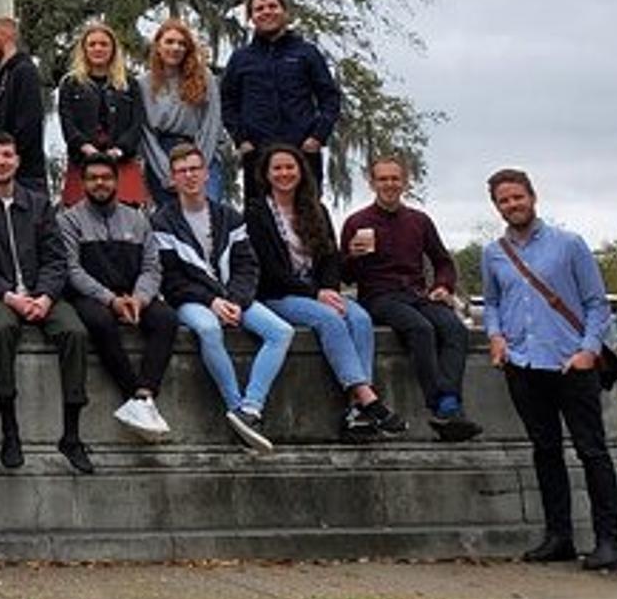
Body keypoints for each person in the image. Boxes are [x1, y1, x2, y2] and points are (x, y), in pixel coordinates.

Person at [481, 167, 617, 571]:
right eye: (504, 200)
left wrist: (588, 350)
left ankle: (609, 540)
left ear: (532, 197)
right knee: (545, 451)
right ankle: (558, 535)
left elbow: (597, 303)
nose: (512, 205)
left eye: (517, 197)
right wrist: (496, 336)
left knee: (591, 450)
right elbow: (491, 302)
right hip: (523, 363)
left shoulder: (569, 244)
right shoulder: (493, 253)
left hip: (570, 363)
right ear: (497, 206)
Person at [244, 145, 404, 441]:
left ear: (301, 171)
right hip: (278, 294)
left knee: (360, 318)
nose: (284, 174)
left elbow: (330, 257)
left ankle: (357, 413)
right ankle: (367, 398)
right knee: (329, 319)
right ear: (266, 175)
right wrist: (315, 293)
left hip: (318, 291)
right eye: (277, 168)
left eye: (290, 167)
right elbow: (267, 269)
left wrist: (328, 287)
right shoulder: (256, 213)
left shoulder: (316, 209)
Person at [149, 143, 295, 452]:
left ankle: (249, 409)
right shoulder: (161, 221)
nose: (189, 176)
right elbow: (172, 279)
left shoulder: (230, 216)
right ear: (172, 179)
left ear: (206, 173)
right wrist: (212, 301)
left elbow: (247, 265)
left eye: (194, 169)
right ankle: (234, 405)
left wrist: (236, 300)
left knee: (281, 331)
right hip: (192, 301)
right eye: (181, 171)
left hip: (233, 297)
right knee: (208, 329)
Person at [0, 130, 94, 473]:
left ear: (17, 160)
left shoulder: (38, 203)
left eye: (7, 155)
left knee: (74, 332)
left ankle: (72, 434)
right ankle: (10, 429)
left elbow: (57, 259)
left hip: (43, 294)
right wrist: (11, 297)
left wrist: (45, 297)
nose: (1, 161)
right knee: (0, 328)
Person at [339, 157, 484, 442]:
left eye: (395, 179)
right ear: (372, 183)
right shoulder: (357, 222)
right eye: (383, 179)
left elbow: (443, 262)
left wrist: (443, 286)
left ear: (405, 182)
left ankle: (449, 406)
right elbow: (344, 276)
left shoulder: (419, 221)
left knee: (454, 328)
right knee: (421, 329)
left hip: (417, 294)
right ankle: (441, 404)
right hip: (378, 296)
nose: (390, 184)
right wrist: (353, 257)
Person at [58, 152, 176, 441]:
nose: (100, 183)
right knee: (99, 322)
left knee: (166, 319)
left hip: (133, 294)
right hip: (92, 297)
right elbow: (72, 270)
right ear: (83, 183)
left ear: (117, 181)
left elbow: (151, 266)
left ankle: (144, 394)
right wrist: (110, 299)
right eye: (93, 178)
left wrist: (140, 298)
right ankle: (133, 394)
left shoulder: (138, 219)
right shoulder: (68, 220)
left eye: (106, 177)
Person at [220, 0, 342, 197]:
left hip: (303, 151)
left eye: (272, 6)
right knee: (259, 219)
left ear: (285, 12)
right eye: (259, 9)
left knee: (308, 217)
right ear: (251, 17)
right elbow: (227, 102)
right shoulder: (241, 58)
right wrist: (241, 140)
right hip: (257, 154)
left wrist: (317, 136)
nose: (266, 12)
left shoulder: (307, 53)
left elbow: (330, 98)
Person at [56, 23, 145, 206]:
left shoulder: (129, 84)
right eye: (93, 44)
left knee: (127, 219)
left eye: (104, 44)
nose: (98, 48)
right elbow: (68, 124)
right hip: (82, 162)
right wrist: (87, 149)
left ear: (113, 49)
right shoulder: (70, 84)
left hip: (122, 161)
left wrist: (119, 150)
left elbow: (137, 123)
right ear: (84, 49)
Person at [138, 19, 225, 207]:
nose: (175, 47)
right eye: (169, 42)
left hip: (201, 151)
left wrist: (197, 166)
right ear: (158, 46)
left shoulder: (205, 78)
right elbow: (146, 134)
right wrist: (166, 173)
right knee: (172, 223)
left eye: (181, 43)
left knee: (208, 217)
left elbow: (212, 124)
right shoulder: (143, 84)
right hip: (161, 156)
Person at [0, 18, 48, 196]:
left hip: (24, 176)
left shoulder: (24, 71)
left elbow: (28, 125)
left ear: (6, 37)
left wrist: (5, 159)